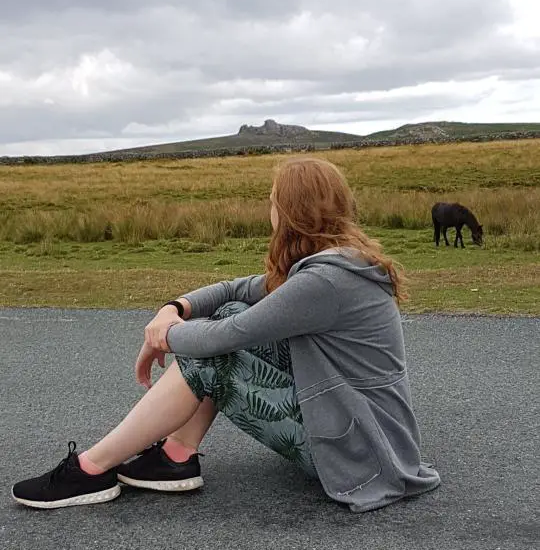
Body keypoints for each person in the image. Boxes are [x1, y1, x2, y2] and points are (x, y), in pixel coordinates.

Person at [12, 158, 440, 513]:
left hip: (364, 455)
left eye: (272, 202)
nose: (268, 210)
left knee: (217, 351)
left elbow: (226, 338)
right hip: (368, 432)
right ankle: (175, 457)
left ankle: (91, 469)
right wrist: (173, 309)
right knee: (228, 315)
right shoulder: (337, 263)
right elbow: (236, 291)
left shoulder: (324, 282)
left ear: (288, 210)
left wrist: (165, 338)